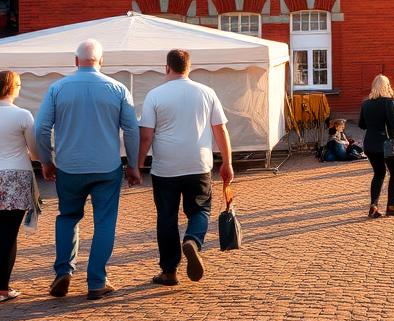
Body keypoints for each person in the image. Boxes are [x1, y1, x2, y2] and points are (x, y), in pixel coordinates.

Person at [35, 39, 140, 301]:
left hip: (69, 167)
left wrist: (46, 161)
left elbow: (41, 129)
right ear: (102, 61)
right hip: (107, 167)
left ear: (76, 61)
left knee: (68, 217)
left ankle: (63, 270)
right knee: (105, 223)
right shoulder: (118, 89)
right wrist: (134, 165)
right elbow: (131, 130)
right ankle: (96, 281)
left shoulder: (57, 88)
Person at [137, 49, 233, 287]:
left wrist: (136, 165)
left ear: (167, 67)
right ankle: (192, 241)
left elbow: (146, 136)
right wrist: (227, 163)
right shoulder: (206, 93)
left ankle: (169, 271)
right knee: (200, 210)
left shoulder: (155, 95)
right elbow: (220, 130)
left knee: (166, 218)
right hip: (198, 164)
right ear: (189, 67)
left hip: (165, 167)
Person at [0, 71, 39, 302]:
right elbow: (35, 151)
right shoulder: (23, 115)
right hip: (15, 176)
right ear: (13, 87)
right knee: (8, 233)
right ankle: (2, 288)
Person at [357, 75, 394, 218]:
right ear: (387, 86)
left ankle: (374, 205)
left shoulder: (366, 103)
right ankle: (391, 206)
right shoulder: (389, 102)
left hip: (370, 144)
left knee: (378, 174)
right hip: (387, 144)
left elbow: (361, 124)